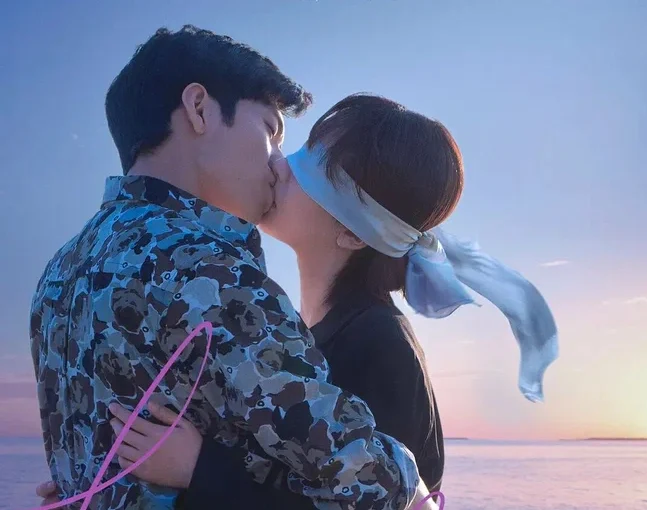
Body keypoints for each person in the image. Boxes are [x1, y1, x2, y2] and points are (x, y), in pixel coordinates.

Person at [37, 93, 559, 508]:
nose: (281, 165)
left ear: (354, 233)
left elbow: (374, 501)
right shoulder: (293, 334)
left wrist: (197, 470)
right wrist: (107, 484)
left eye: (318, 166)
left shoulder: (381, 346)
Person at [30, 26, 437, 510]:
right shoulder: (208, 271)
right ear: (199, 109)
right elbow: (376, 486)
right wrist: (413, 484)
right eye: (270, 130)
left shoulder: (58, 274)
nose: (279, 163)